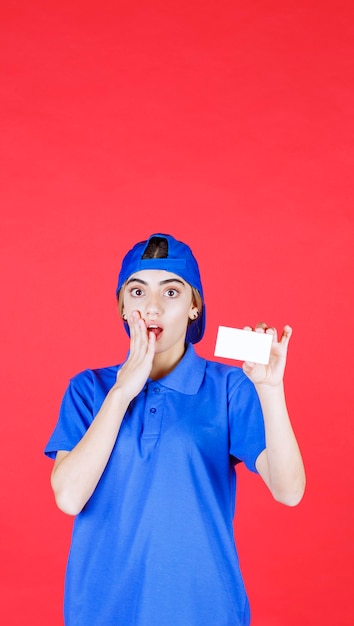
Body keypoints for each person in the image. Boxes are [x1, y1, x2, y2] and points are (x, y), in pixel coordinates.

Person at [44, 233, 305, 626]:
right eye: (136, 292)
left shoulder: (227, 388)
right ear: (122, 307)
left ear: (193, 307)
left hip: (205, 610)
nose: (151, 307)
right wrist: (121, 393)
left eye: (170, 293)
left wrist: (270, 390)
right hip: (103, 609)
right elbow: (68, 497)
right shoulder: (89, 389)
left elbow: (289, 491)